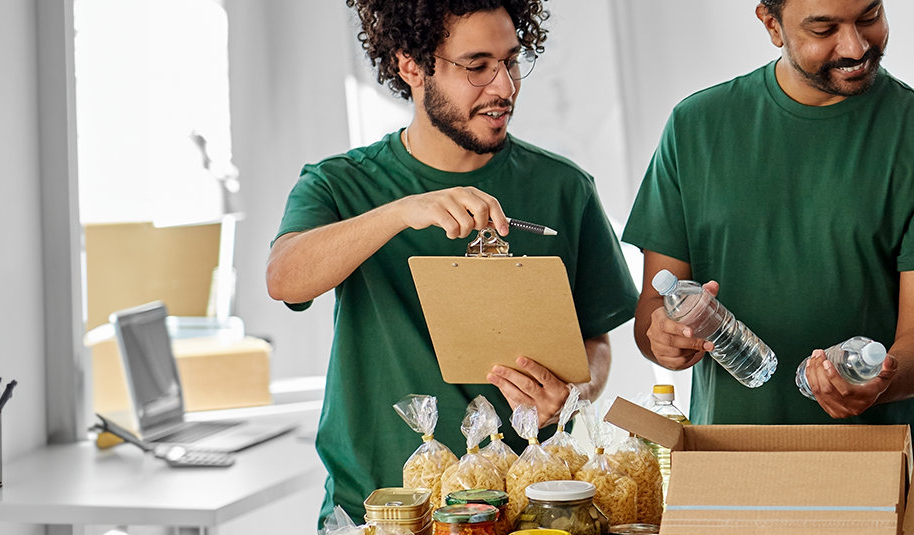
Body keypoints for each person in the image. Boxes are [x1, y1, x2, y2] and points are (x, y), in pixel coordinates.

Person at [267, 0, 637, 521]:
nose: (505, 87)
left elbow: (595, 340)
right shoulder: (341, 184)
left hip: (524, 510)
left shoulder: (563, 188)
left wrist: (576, 392)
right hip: (378, 512)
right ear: (411, 66)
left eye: (512, 60)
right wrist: (401, 213)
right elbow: (285, 278)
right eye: (477, 65)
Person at [627, 0, 914, 432]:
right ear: (772, 25)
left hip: (876, 466)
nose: (854, 46)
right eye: (824, 29)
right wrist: (664, 339)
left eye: (869, 17)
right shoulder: (695, 127)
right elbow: (653, 307)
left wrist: (878, 382)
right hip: (724, 456)